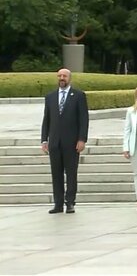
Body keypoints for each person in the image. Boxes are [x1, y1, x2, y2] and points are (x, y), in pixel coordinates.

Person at [40, 68, 89, 214]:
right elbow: (46, 120)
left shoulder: (78, 95)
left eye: (64, 76)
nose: (62, 78)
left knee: (71, 173)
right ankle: (58, 203)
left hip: (72, 142)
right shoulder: (50, 97)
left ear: (70, 78)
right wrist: (44, 139)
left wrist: (82, 139)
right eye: (59, 76)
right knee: (56, 173)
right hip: (55, 142)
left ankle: (70, 202)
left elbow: (83, 119)